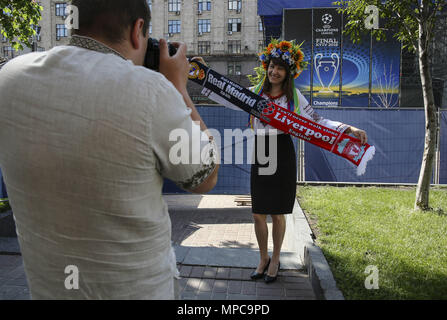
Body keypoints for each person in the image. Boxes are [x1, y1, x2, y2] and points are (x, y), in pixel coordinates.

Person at [0, 0, 219, 299]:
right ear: (137, 29)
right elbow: (205, 176)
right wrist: (178, 87)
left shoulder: (9, 78)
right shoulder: (152, 91)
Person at [248, 39, 367, 283]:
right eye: (271, 66)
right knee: (258, 213)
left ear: (288, 71)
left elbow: (318, 121)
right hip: (261, 151)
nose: (274, 71)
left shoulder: (294, 97)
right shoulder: (256, 93)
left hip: (282, 150)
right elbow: (225, 95)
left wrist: (347, 129)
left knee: (278, 213)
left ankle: (277, 258)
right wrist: (201, 73)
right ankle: (262, 258)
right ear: (266, 67)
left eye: (280, 67)